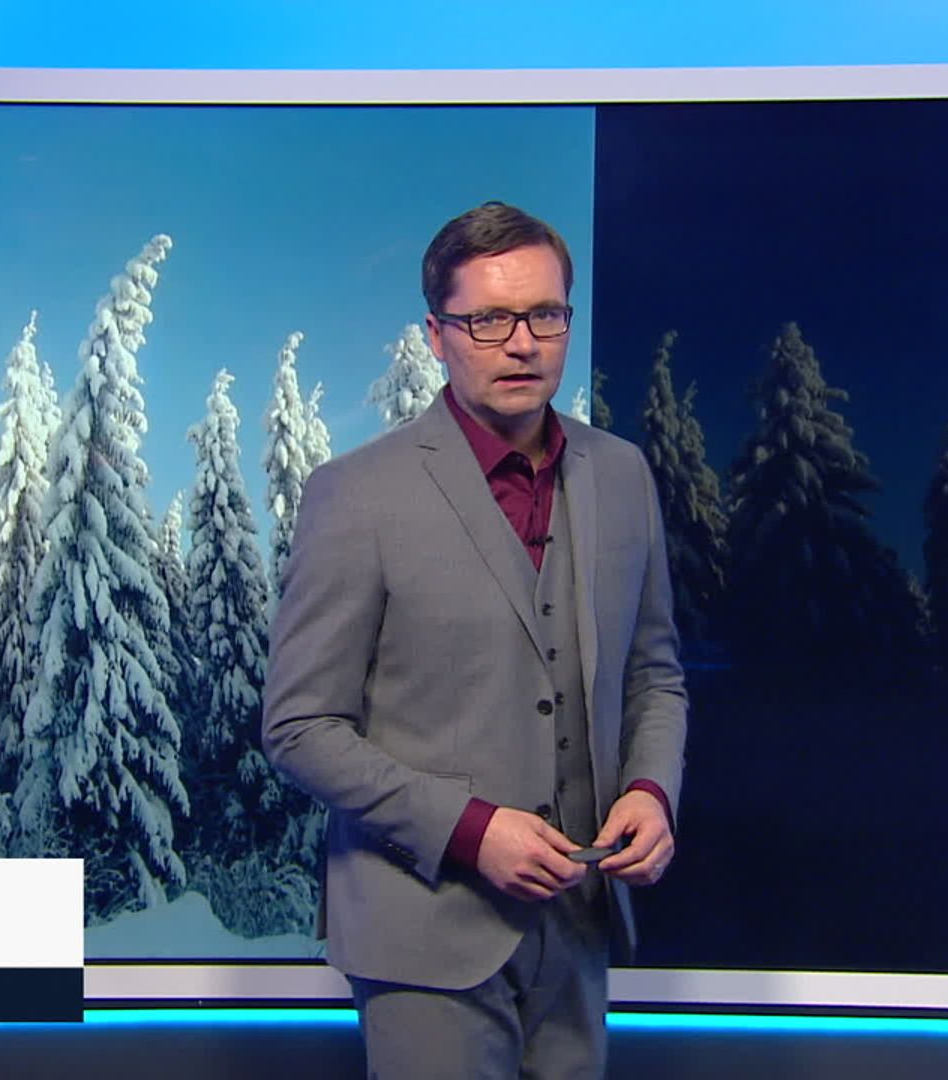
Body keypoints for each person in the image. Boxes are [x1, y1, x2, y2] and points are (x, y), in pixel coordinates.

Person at [262, 201, 687, 1079]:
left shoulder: (622, 475)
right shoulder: (357, 495)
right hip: (424, 932)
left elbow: (655, 676)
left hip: (581, 925)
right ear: (436, 335)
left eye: (545, 315)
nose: (522, 344)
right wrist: (470, 829)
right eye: (490, 320)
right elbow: (300, 728)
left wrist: (652, 790)